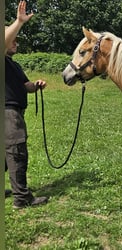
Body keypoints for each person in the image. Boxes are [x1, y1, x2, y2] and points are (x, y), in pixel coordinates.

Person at [5, 0, 49, 209]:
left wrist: (36, 85)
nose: (16, 44)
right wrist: (19, 21)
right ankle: (21, 199)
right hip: (8, 113)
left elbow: (26, 86)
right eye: (13, 40)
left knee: (6, 155)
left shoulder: (14, 65)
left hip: (14, 111)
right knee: (16, 153)